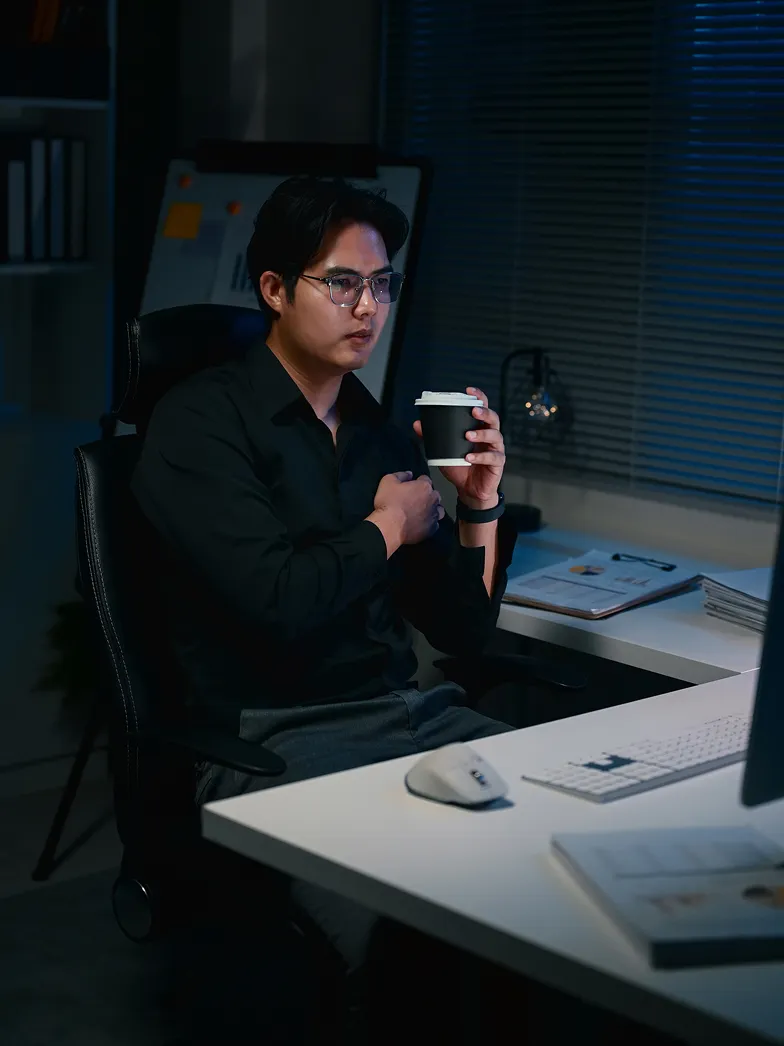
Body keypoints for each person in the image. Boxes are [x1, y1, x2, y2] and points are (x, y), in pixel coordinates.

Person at [130, 176, 518, 1043]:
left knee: (558, 856)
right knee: (414, 948)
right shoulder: (199, 425)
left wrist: (478, 508)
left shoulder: (375, 428)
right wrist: (387, 527)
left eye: (381, 286)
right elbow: (275, 601)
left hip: (411, 719)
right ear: (274, 289)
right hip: (278, 736)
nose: (367, 307)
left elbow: (462, 631)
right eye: (342, 283)